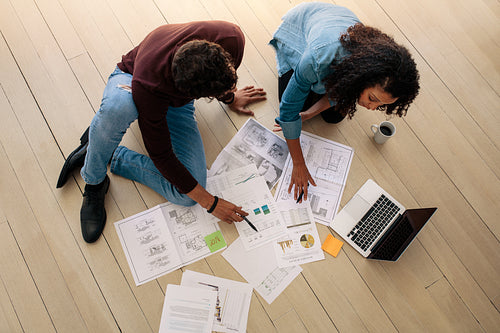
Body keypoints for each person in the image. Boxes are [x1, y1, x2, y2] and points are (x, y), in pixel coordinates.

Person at [56, 21, 266, 243]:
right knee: (118, 109)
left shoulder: (231, 38)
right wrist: (210, 203)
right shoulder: (149, 85)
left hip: (176, 99)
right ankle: (94, 180)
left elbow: (219, 77)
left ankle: (106, 149)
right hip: (132, 78)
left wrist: (230, 97)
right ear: (190, 92)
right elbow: (161, 154)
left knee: (186, 197)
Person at [270, 2, 419, 202]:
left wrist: (309, 114)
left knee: (333, 116)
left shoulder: (368, 64)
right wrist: (298, 163)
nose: (372, 108)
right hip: (299, 31)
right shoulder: (318, 57)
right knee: (296, 105)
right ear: (363, 77)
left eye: (381, 105)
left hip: (333, 32)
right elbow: (287, 112)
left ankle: (312, 100)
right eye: (372, 99)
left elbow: (343, 91)